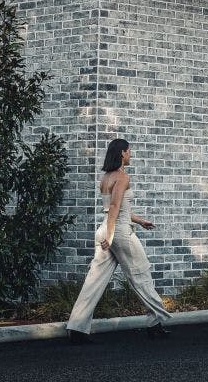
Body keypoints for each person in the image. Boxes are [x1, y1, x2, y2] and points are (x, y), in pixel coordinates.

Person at [66, 138, 173, 344]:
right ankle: (156, 323)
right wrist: (112, 236)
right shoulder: (123, 177)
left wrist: (140, 221)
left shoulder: (106, 177)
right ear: (122, 153)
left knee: (93, 281)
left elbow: (116, 209)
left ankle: (76, 328)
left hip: (106, 228)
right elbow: (115, 207)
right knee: (142, 276)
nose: (131, 154)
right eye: (129, 151)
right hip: (119, 233)